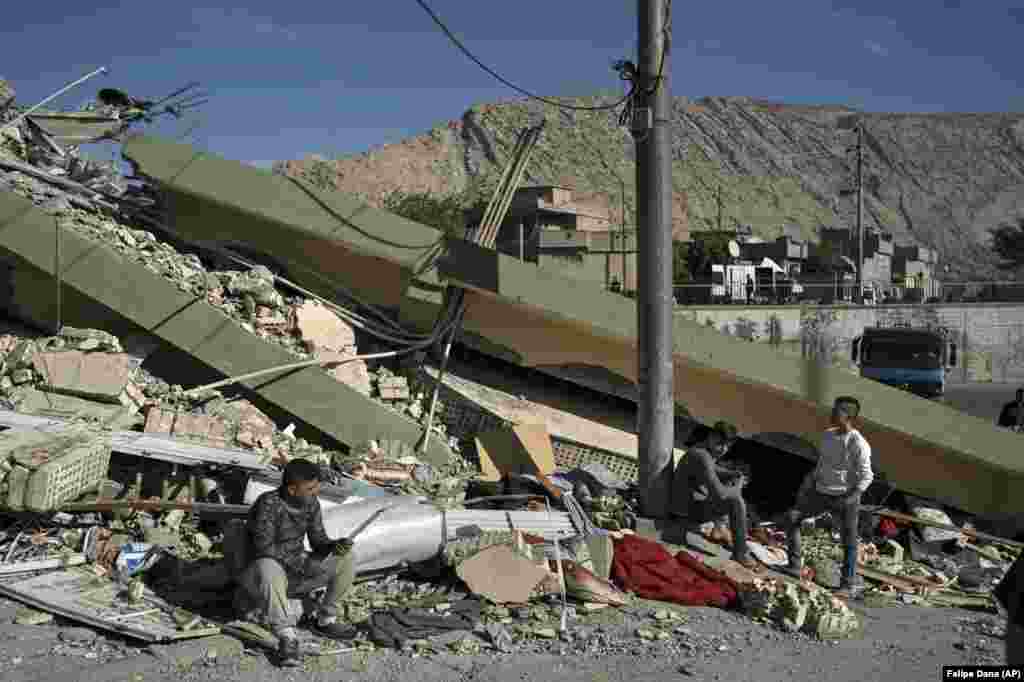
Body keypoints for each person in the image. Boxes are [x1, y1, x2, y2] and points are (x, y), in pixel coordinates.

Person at [236, 459, 356, 667]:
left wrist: (333, 546)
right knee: (268, 565)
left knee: (347, 558)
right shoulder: (268, 503)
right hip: (262, 577)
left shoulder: (311, 503)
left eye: (317, 485)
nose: (316, 491)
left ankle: (325, 620)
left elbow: (318, 540)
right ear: (292, 489)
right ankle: (286, 637)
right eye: (310, 488)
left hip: (295, 571)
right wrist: (300, 564)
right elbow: (264, 548)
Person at [781, 396, 873, 598]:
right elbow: (823, 463)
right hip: (821, 493)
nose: (832, 413)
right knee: (791, 518)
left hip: (845, 498)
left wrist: (853, 497)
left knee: (849, 542)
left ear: (848, 416)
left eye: (837, 411)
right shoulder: (828, 435)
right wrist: (810, 480)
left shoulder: (858, 443)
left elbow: (867, 476)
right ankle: (795, 566)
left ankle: (846, 586)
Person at [673, 421, 761, 572]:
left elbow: (715, 469)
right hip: (686, 511)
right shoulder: (701, 455)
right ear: (711, 436)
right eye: (720, 444)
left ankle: (719, 527)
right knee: (736, 501)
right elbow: (720, 495)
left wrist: (734, 474)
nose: (723, 449)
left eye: (727, 446)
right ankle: (741, 553)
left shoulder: (705, 451)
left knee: (731, 478)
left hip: (693, 504)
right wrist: (738, 485)